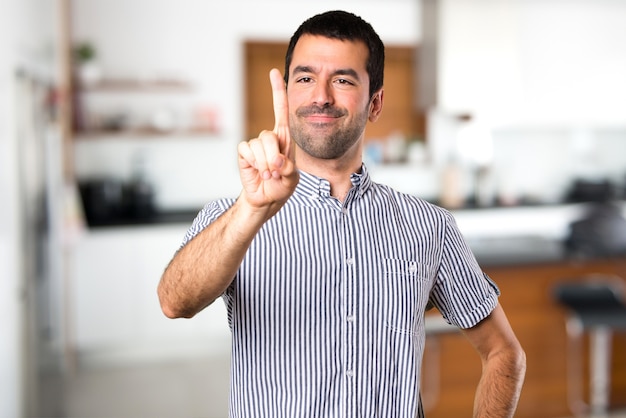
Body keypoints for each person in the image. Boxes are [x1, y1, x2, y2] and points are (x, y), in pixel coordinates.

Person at [158, 10, 526, 417]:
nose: (321, 96)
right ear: (287, 93)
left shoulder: (429, 226)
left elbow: (503, 352)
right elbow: (174, 302)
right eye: (304, 78)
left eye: (343, 80)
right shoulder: (233, 215)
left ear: (376, 102)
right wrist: (252, 209)